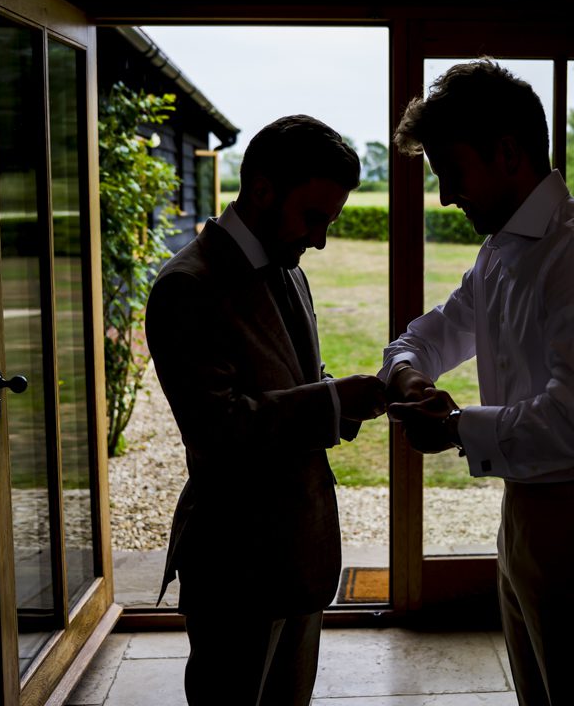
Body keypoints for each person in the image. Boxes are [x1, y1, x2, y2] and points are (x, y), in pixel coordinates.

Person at [382, 61, 574, 705]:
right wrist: (406, 373)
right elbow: (428, 334)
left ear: (507, 151)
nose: (448, 195)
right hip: (530, 512)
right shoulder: (501, 254)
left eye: (452, 170)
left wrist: (454, 428)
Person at [146, 114, 387, 705]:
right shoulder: (187, 286)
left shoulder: (289, 270)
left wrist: (363, 400)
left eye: (329, 221)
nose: (321, 239)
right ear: (260, 190)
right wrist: (333, 400)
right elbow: (219, 428)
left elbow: (290, 382)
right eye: (313, 218)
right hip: (235, 564)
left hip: (300, 559)